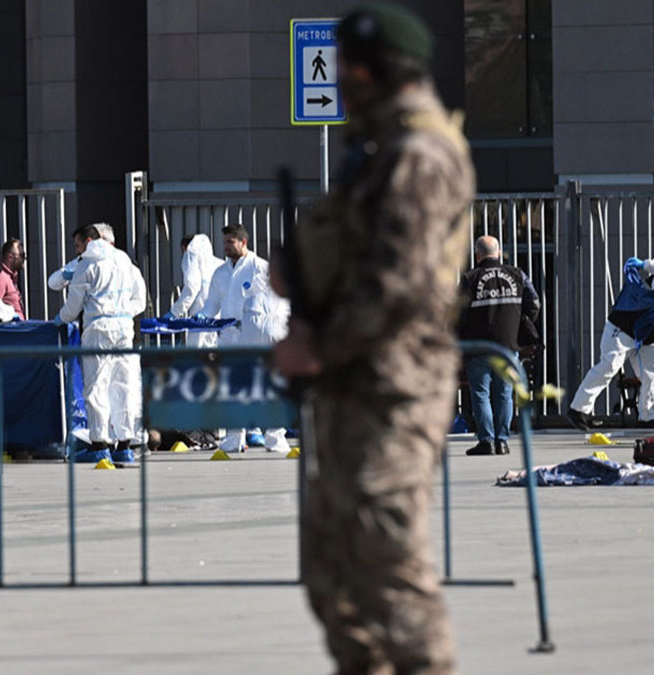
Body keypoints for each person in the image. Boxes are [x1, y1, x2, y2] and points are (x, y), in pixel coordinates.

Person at [271, 5, 474, 673]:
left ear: (377, 71)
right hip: (347, 384)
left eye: (352, 69)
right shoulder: (375, 151)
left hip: (394, 385)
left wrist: (317, 347)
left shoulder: (421, 154)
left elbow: (400, 285)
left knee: (388, 562)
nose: (344, 81)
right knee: (332, 572)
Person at [57, 224, 147, 464]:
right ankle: (125, 443)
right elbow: (139, 297)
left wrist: (60, 319)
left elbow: (73, 306)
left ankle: (100, 443)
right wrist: (121, 314)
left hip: (97, 330)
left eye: (77, 245)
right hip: (123, 329)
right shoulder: (124, 260)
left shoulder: (86, 265)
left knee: (96, 386)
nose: (76, 251)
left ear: (88, 241)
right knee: (122, 384)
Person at [458, 235, 540, 455]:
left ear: (478, 255)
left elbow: (458, 314)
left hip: (479, 347)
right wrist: (520, 324)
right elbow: (534, 304)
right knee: (504, 394)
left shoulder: (470, 279)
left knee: (481, 394)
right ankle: (502, 441)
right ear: (499, 252)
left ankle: (486, 441)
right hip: (508, 345)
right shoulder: (517, 275)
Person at [201, 224, 272, 452]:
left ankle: (270, 435)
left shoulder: (260, 268)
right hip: (229, 336)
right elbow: (212, 303)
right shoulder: (220, 273)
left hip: (253, 334)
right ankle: (234, 439)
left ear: (244, 242)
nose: (226, 247)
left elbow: (273, 304)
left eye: (231, 242)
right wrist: (202, 318)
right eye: (225, 242)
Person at [567, 256, 654, 430]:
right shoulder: (641, 292)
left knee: (651, 374)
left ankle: (648, 417)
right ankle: (578, 409)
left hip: (645, 335)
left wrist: (644, 264)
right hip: (622, 329)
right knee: (609, 365)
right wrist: (644, 264)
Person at [166, 234, 224, 347]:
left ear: (185, 247)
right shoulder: (219, 263)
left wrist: (175, 312)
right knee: (212, 358)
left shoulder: (191, 256)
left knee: (195, 359)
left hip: (199, 317)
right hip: (216, 319)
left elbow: (192, 287)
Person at [47, 223, 115, 293]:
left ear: (110, 244)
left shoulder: (119, 262)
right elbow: (52, 283)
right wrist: (68, 274)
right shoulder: (81, 261)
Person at [0, 237, 26, 322]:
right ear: (10, 257)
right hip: (10, 331)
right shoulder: (2, 277)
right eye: (21, 255)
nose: (24, 259)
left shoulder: (11, 277)